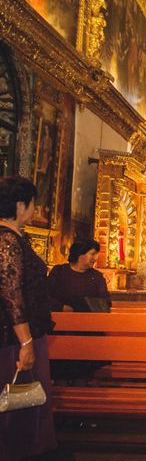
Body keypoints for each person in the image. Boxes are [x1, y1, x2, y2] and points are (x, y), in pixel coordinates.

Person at [0, 176, 56, 459]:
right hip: (14, 340)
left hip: (20, 335)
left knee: (23, 401)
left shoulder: (12, 237)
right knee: (15, 402)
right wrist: (26, 342)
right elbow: (11, 292)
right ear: (20, 205)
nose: (35, 209)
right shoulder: (7, 240)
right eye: (33, 204)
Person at [48, 239, 110, 312]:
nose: (96, 258)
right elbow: (45, 296)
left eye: (96, 254)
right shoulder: (59, 272)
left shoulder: (97, 277)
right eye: (92, 254)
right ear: (80, 255)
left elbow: (106, 303)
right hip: (59, 318)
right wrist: (62, 307)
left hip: (88, 320)